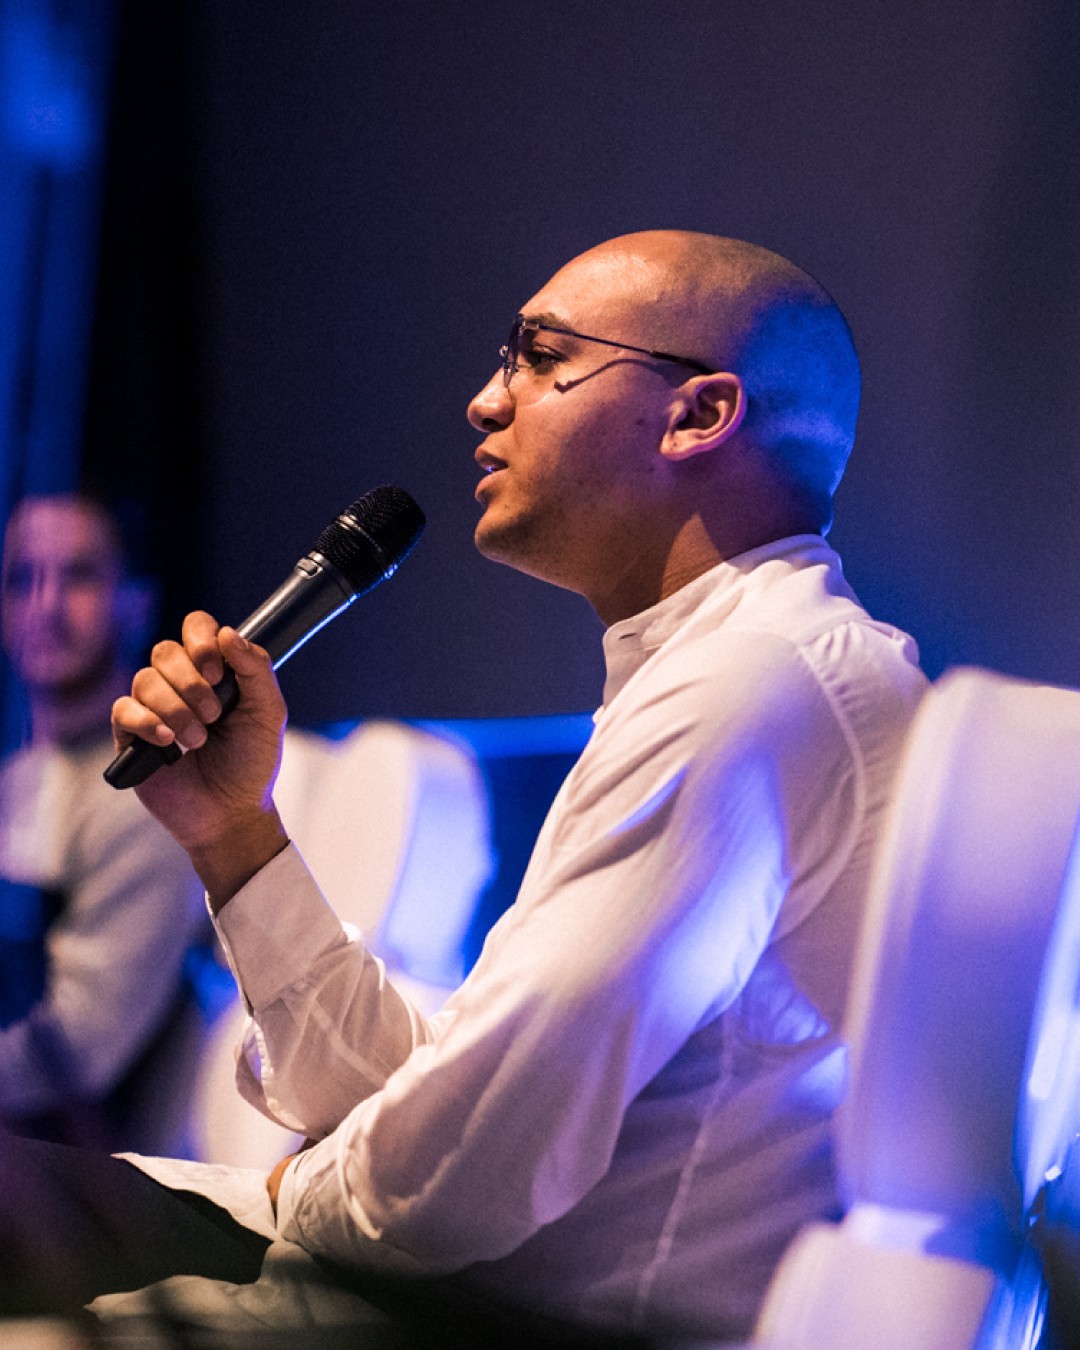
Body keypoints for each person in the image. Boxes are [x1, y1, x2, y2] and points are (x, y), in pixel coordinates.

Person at [0, 232, 927, 1345]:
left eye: (540, 357)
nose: (487, 401)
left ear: (699, 414)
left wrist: (300, 1188)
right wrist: (231, 833)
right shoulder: (746, 669)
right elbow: (444, 1099)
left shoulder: (745, 692)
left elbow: (442, 1193)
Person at [0, 491, 204, 1150]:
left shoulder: (150, 794)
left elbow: (78, 1052)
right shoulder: (17, 782)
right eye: (22, 578)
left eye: (80, 575)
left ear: (137, 598)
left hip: (75, 1194)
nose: (45, 605)